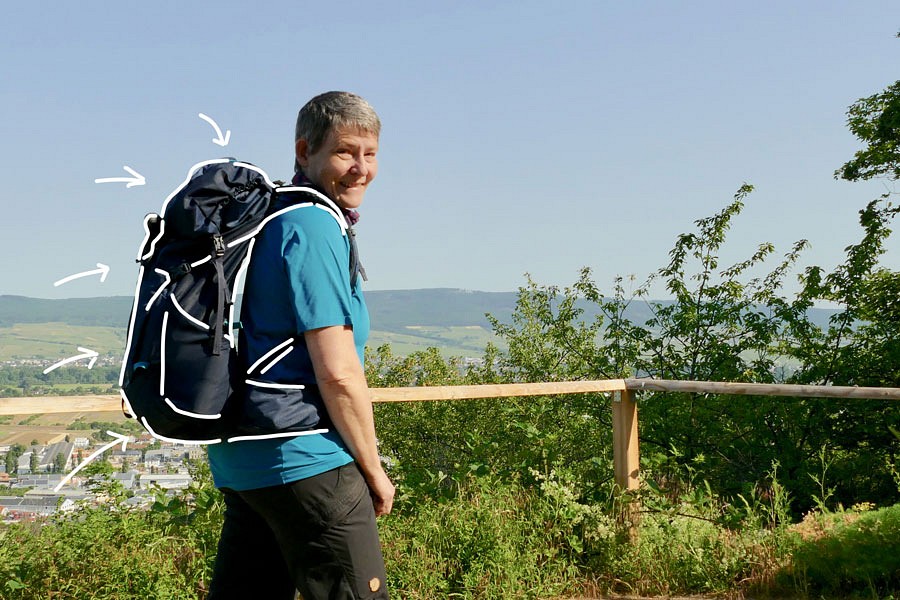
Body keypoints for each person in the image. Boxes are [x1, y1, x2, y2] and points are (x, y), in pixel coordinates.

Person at [207, 91, 394, 599]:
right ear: (304, 150)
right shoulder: (312, 225)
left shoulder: (275, 217)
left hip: (245, 461)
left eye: (370, 153)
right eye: (345, 152)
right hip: (307, 460)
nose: (360, 169)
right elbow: (336, 372)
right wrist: (374, 470)